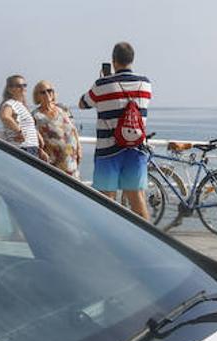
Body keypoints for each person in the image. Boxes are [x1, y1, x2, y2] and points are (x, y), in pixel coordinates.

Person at [78, 41, 152, 219]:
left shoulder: (102, 84)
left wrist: (104, 78)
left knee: (106, 202)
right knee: (137, 200)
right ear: (132, 59)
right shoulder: (145, 84)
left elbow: (82, 104)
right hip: (136, 150)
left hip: (108, 151)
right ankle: (144, 242)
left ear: (113, 61)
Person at [32, 80, 81, 176]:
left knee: (74, 187)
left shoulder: (63, 108)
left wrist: (79, 148)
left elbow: (74, 129)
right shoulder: (35, 116)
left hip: (71, 159)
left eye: (49, 90)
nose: (47, 94)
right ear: (37, 96)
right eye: (43, 92)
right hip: (53, 162)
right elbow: (33, 140)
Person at [0, 74, 40, 157]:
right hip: (22, 147)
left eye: (24, 85)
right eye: (18, 86)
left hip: (30, 147)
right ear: (10, 89)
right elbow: (5, 116)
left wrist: (39, 147)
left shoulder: (20, 105)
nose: (23, 88)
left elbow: (29, 127)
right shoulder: (10, 103)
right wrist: (19, 132)